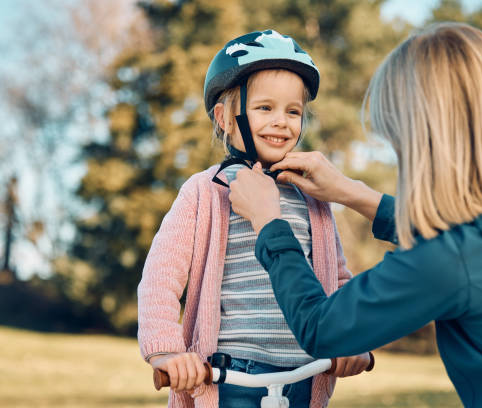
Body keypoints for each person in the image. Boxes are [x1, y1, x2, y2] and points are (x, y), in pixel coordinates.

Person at [228, 22, 482, 408]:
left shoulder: (452, 258)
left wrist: (269, 223)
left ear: (423, 137)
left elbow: (322, 328)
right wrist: (353, 193)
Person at [137, 29, 372, 408]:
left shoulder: (313, 198)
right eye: (265, 108)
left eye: (292, 111)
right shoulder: (204, 192)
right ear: (224, 118)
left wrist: (353, 340)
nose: (281, 121)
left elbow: (337, 282)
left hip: (304, 376)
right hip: (231, 378)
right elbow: (160, 279)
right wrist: (166, 351)